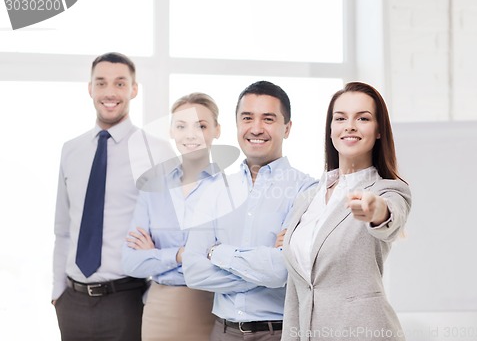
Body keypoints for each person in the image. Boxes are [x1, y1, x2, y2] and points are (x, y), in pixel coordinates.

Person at [182, 80, 317, 341]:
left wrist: (216, 252)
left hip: (277, 334)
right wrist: (264, 270)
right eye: (247, 118)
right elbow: (193, 271)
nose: (256, 128)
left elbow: (280, 271)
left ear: (287, 128)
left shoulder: (307, 190)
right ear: (237, 125)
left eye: (268, 119)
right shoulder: (215, 189)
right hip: (222, 332)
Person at [280, 81, 412, 341]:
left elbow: (390, 216)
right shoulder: (308, 199)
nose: (350, 125)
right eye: (340, 118)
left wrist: (376, 211)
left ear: (378, 131)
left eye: (362, 118)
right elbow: (297, 292)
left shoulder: (388, 190)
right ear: (331, 129)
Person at [52, 52, 157, 341]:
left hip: (127, 300)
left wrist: (150, 297)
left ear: (134, 90)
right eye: (101, 83)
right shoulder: (71, 150)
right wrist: (57, 292)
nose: (110, 92)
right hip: (71, 302)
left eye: (120, 83)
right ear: (90, 89)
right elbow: (62, 230)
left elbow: (170, 233)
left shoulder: (153, 152)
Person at [122, 93, 223, 340]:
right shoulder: (153, 188)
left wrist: (156, 254)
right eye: (181, 126)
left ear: (216, 131)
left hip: (211, 306)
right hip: (159, 309)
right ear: (171, 131)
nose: (191, 134)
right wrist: (180, 254)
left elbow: (227, 261)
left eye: (201, 126)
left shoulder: (230, 189)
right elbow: (131, 262)